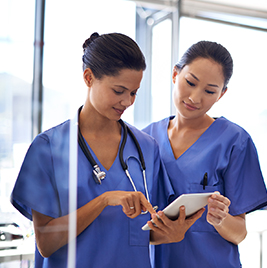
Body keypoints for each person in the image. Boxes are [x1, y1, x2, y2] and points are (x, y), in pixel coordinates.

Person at [10, 32, 198, 268]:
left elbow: (144, 233)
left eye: (133, 92)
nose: (128, 102)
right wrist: (104, 200)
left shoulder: (146, 148)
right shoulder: (48, 148)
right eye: (118, 91)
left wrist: (173, 234)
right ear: (89, 77)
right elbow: (46, 243)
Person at [142, 40, 267, 267]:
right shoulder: (145, 139)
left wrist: (220, 219)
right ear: (175, 74)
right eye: (190, 82)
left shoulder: (234, 141)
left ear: (221, 94)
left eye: (210, 91)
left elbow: (239, 233)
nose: (195, 98)